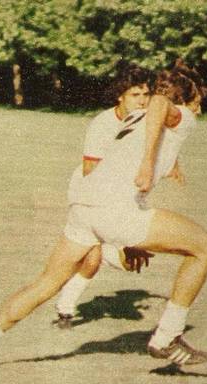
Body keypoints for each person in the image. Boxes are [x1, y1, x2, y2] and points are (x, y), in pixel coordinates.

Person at [0, 61, 207, 368]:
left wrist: (128, 237)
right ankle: (167, 337)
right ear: (185, 100)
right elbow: (160, 102)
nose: (199, 110)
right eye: (198, 102)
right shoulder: (179, 115)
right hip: (112, 209)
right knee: (206, 247)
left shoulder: (134, 116)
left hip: (85, 207)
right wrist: (148, 164)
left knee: (47, 282)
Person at [52, 64, 161, 330]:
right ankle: (65, 308)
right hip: (88, 191)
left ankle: (65, 307)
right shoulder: (103, 124)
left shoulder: (146, 122)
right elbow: (90, 170)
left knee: (97, 259)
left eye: (146, 95)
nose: (142, 101)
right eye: (135, 95)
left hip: (120, 193)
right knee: (92, 256)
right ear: (120, 96)